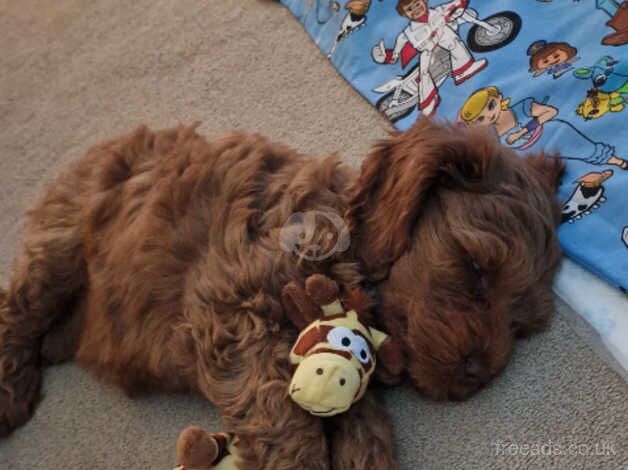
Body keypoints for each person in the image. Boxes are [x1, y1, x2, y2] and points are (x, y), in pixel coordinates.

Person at [459, 86, 628, 169]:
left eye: (490, 106)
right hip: (533, 157)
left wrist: (524, 131)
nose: (489, 116)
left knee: (586, 149)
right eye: (480, 119)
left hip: (550, 131)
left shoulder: (520, 108)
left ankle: (617, 161)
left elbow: (550, 112)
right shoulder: (492, 137)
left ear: (499, 98)